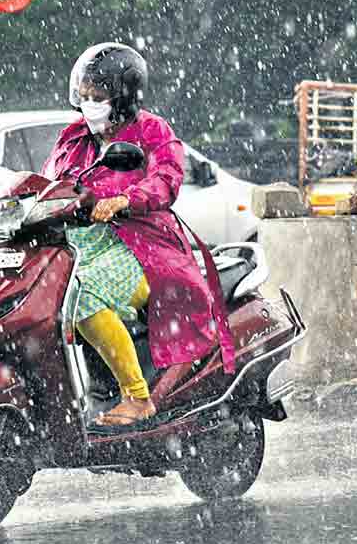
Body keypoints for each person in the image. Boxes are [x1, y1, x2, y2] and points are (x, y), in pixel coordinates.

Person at [40, 42, 235, 427]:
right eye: (84, 96)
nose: (90, 103)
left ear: (123, 97)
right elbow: (48, 183)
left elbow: (167, 178)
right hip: (81, 245)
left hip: (141, 246)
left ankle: (137, 397)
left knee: (83, 298)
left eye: (99, 96)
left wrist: (125, 200)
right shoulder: (73, 137)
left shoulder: (151, 130)